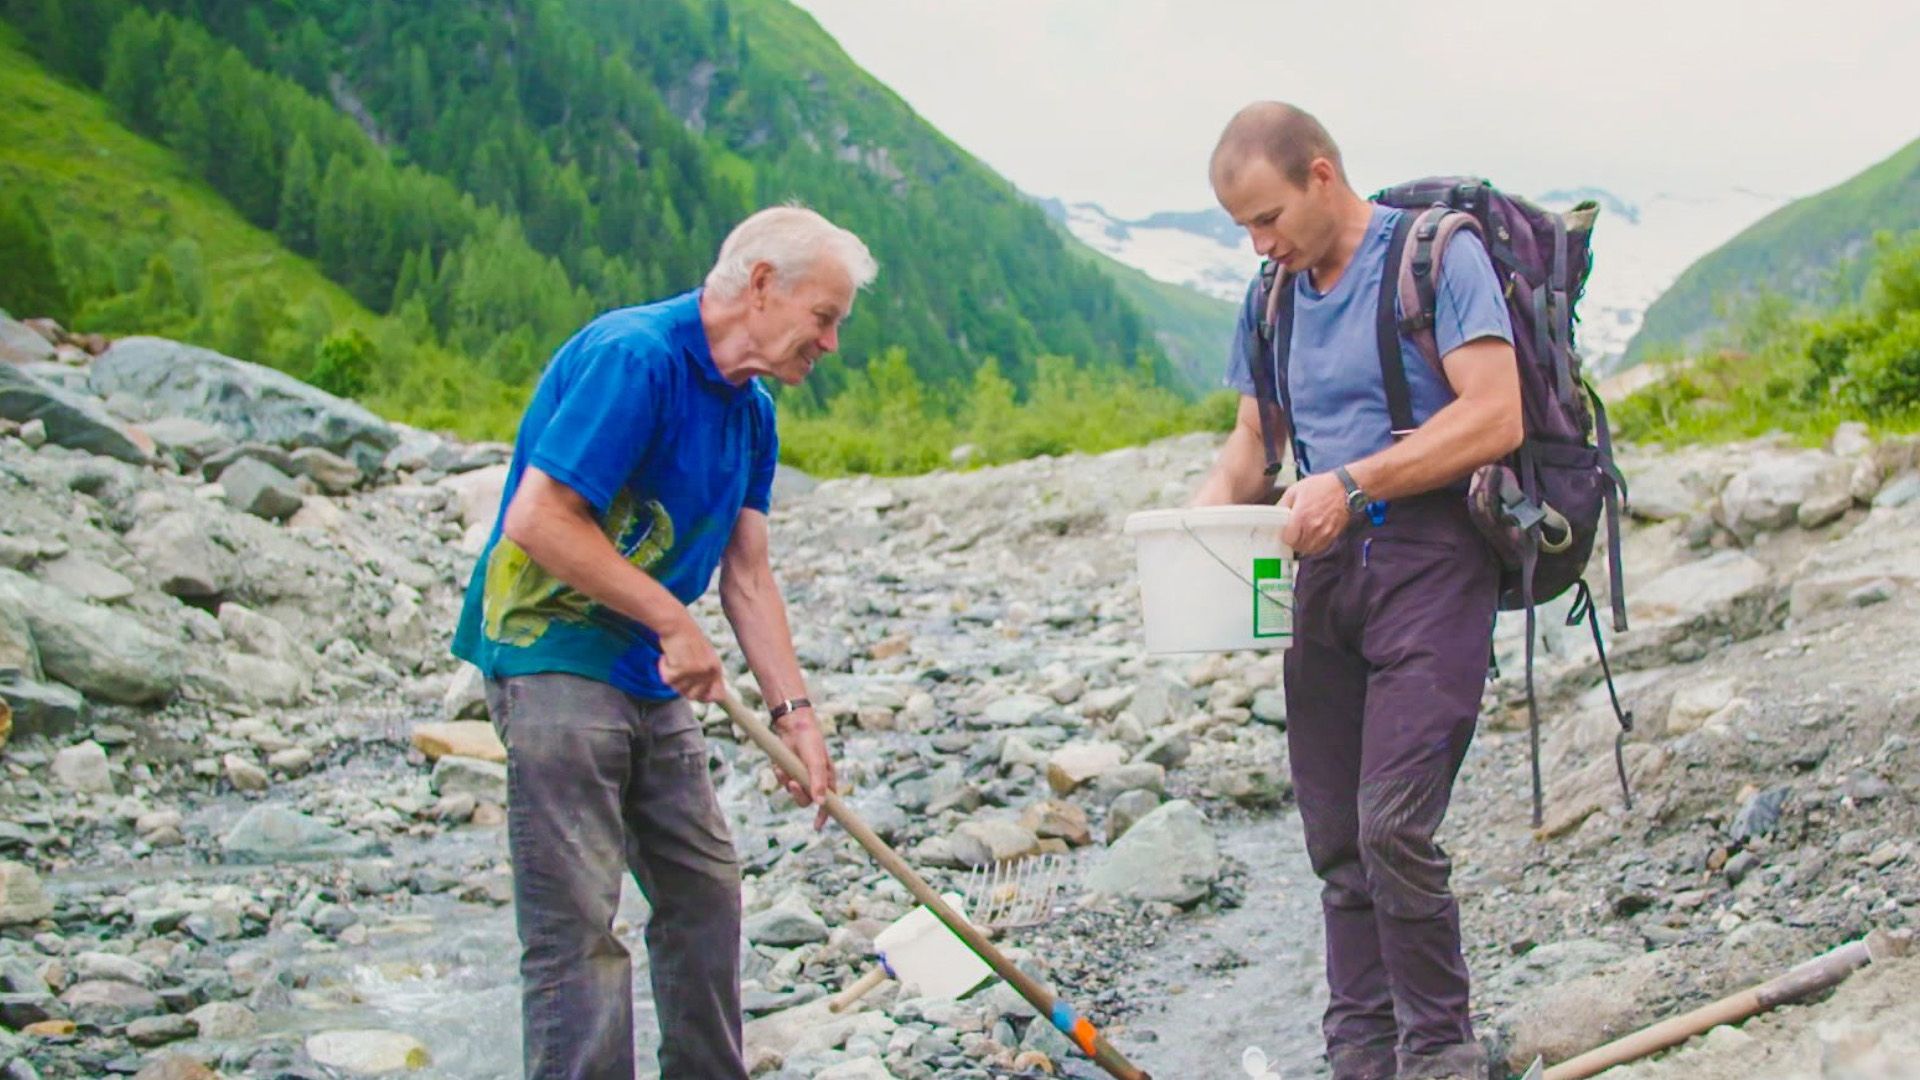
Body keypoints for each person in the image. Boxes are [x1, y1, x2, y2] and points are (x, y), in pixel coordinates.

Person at [451, 205, 876, 1079]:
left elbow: (748, 576)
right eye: (824, 317)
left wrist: (796, 715)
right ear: (762, 286)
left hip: (648, 673)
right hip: (552, 652)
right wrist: (672, 621)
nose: (830, 344)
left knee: (703, 893)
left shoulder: (752, 411)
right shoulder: (635, 357)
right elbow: (539, 519)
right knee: (579, 924)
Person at [1191, 103, 1523, 1080]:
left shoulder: (1434, 258)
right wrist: (1186, 536)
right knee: (1337, 842)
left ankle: (1441, 1054)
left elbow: (1496, 415)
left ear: (1322, 176)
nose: (1260, 242)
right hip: (1326, 575)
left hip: (1432, 559)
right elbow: (1253, 452)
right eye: (1243, 228)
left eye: (1268, 217)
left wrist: (1353, 482)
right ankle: (1359, 1059)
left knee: (1393, 829)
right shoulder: (1272, 296)